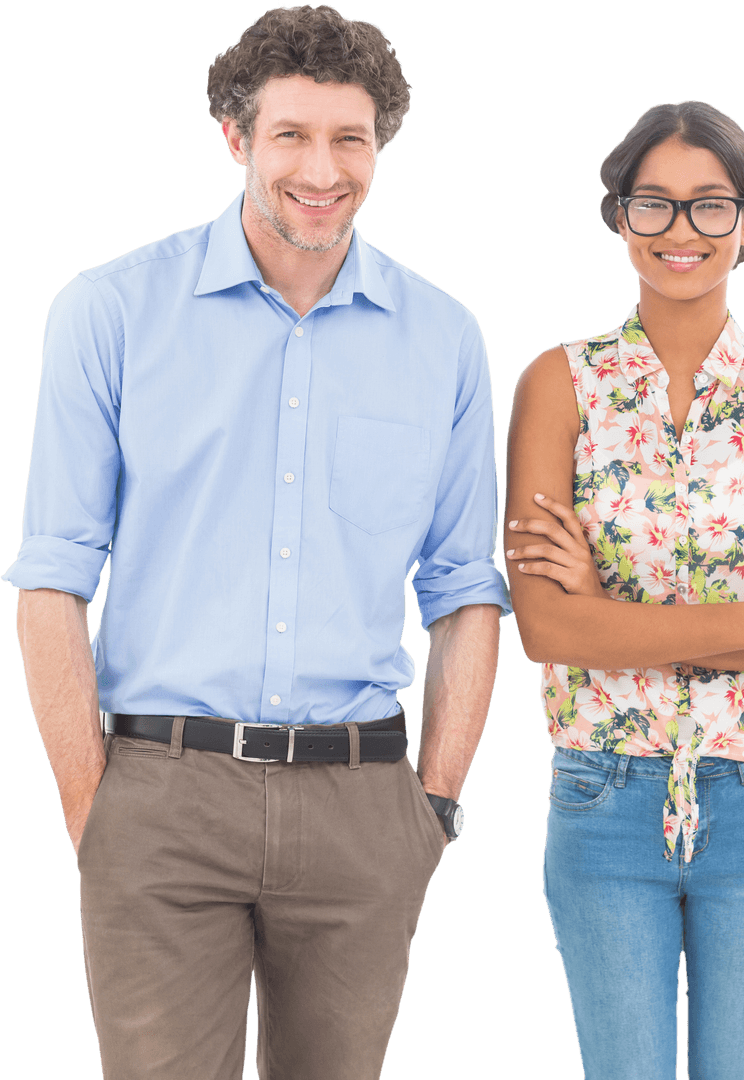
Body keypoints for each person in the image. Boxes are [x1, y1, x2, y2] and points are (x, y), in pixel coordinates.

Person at [3, 6, 508, 1079]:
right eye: (291, 136)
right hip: (160, 794)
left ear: (381, 144)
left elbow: (464, 590)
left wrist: (432, 807)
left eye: (349, 139)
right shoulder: (110, 310)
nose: (321, 170)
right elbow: (51, 579)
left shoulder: (444, 337)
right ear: (237, 137)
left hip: (365, 803)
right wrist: (95, 809)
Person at [504, 100, 744, 1079]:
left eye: (710, 206)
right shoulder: (558, 384)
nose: (680, 232)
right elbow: (542, 626)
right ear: (618, 218)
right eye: (652, 204)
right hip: (600, 794)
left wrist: (608, 621)